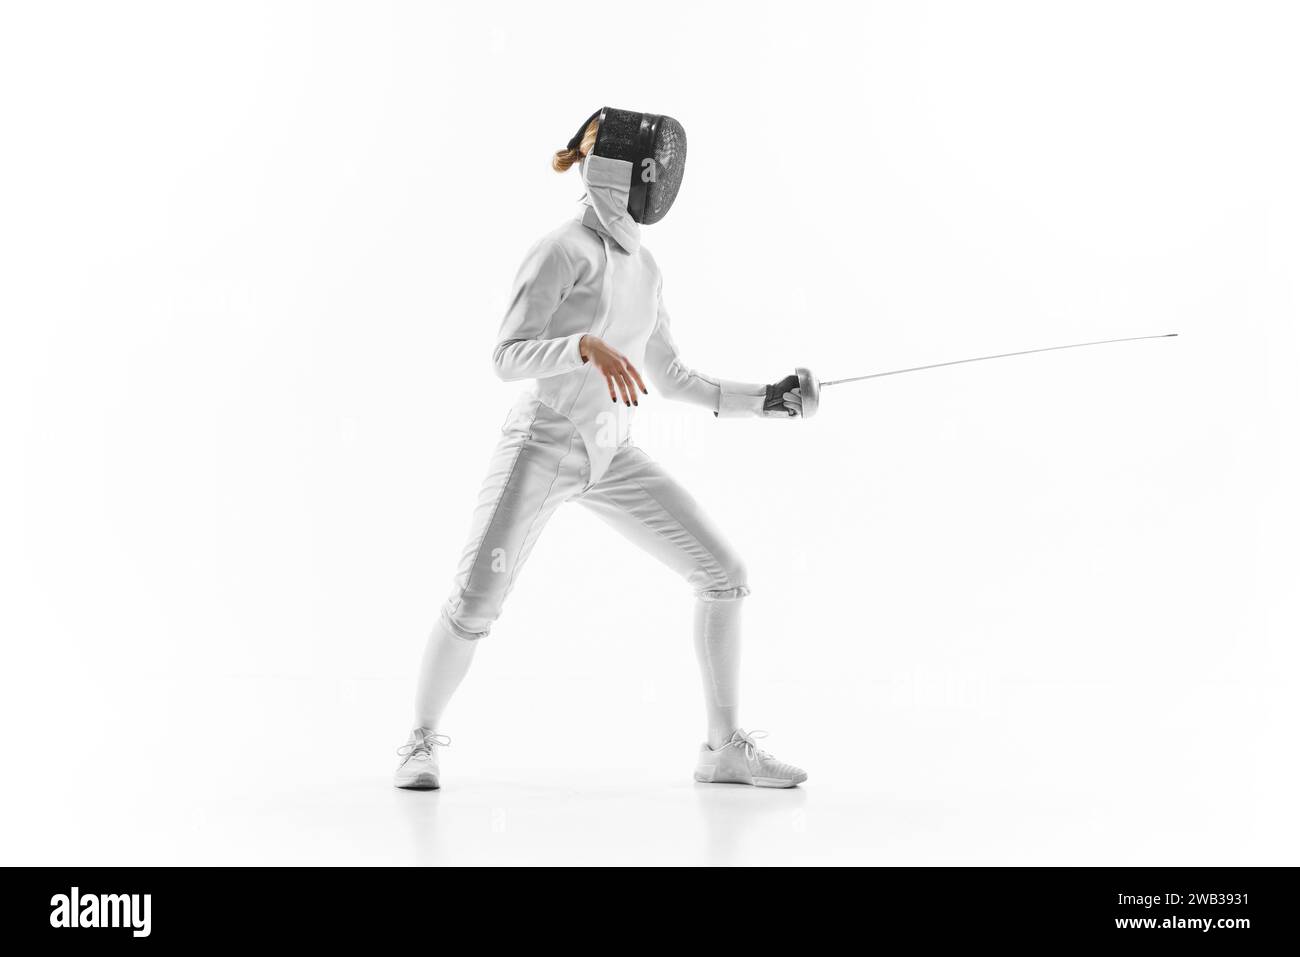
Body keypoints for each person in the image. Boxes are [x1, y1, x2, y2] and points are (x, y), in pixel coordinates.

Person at [395, 107, 811, 790]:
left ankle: (723, 749)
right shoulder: (560, 250)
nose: (659, 180)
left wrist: (767, 398)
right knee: (474, 603)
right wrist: (582, 346)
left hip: (610, 453)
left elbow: (672, 376)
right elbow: (506, 356)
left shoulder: (646, 269)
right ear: (619, 171)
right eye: (650, 168)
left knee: (724, 573)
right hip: (542, 444)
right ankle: (417, 741)